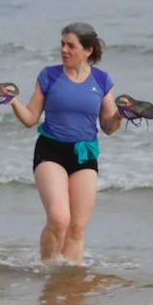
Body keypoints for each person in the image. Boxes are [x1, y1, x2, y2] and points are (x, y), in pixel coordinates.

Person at [8, 22, 122, 264]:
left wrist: (121, 115)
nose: (64, 50)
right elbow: (30, 119)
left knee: (77, 227)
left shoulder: (102, 80)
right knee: (60, 218)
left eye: (71, 46)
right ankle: (47, 269)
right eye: (62, 44)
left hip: (84, 154)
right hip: (51, 151)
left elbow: (109, 127)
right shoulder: (49, 75)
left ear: (88, 50)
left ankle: (69, 281)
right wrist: (13, 102)